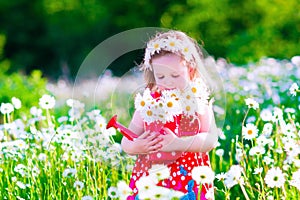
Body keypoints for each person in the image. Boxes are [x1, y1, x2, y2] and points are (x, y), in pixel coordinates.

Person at [121, 30, 219, 200]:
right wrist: (137, 146)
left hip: (189, 176)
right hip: (151, 177)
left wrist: (179, 143)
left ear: (191, 70)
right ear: (153, 73)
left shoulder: (198, 101)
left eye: (175, 75)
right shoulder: (148, 104)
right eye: (160, 76)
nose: (168, 81)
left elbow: (210, 139)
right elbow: (126, 140)